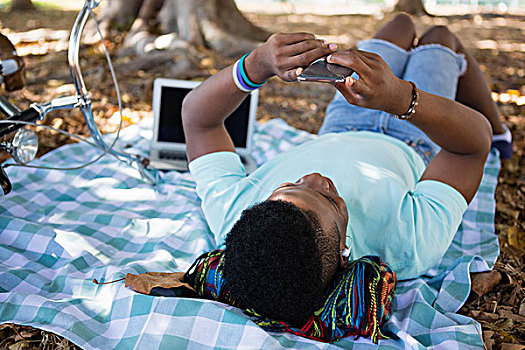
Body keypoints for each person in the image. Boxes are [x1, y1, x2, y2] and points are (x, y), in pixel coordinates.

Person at [181, 14, 509, 328]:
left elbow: (197, 117)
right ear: (343, 253)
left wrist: (256, 65)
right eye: (331, 199)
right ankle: (502, 131)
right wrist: (398, 97)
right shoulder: (407, 244)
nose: (316, 178)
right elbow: (470, 146)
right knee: (441, 37)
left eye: (291, 185)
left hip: (343, 121)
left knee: (401, 24)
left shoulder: (233, 216)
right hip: (416, 133)